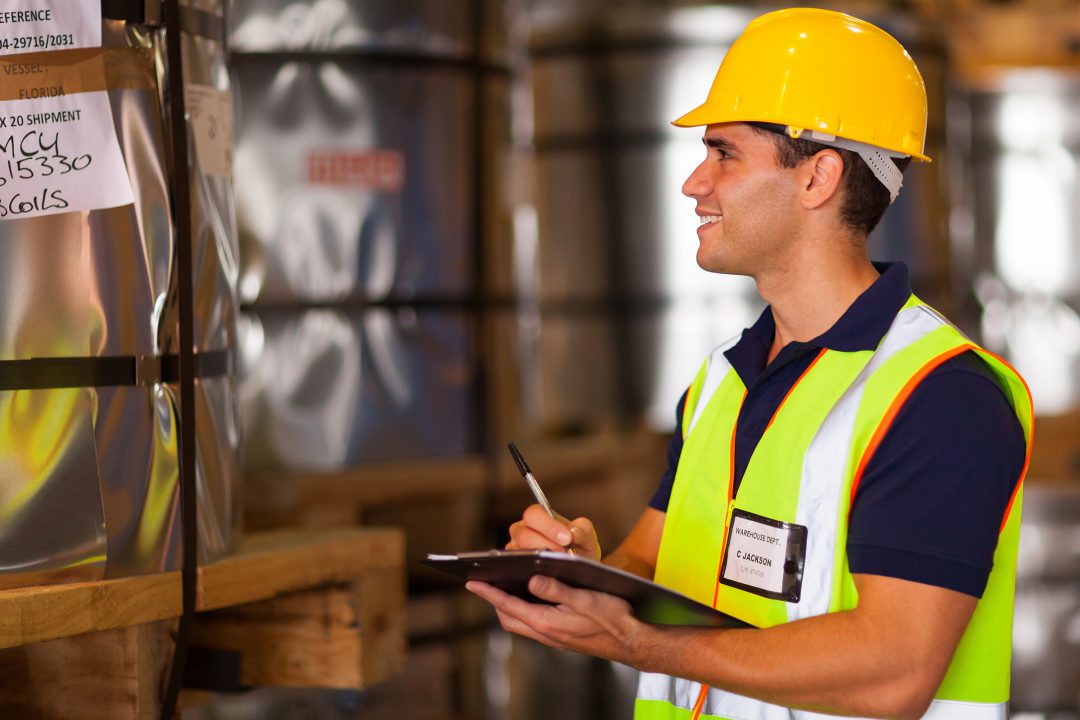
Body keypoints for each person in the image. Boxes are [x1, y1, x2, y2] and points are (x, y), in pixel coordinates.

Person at [467, 8, 1032, 720]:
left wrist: (640, 644)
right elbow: (649, 564)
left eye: (724, 153)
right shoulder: (721, 382)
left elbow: (895, 671)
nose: (694, 184)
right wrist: (577, 574)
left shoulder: (942, 397)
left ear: (817, 177)